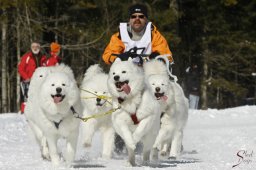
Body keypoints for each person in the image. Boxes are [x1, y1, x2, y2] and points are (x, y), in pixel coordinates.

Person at [102, 3, 173, 65]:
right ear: (129, 20)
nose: (137, 19)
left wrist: (158, 56)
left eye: (141, 16)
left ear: (146, 19)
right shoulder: (120, 36)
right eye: (133, 16)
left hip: (149, 72)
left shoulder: (154, 35)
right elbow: (107, 55)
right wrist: (119, 57)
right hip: (127, 73)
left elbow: (167, 56)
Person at [18, 41, 47, 113]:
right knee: (26, 97)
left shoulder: (44, 57)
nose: (35, 48)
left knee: (39, 97)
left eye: (37, 46)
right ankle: (23, 112)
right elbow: (20, 68)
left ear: (39, 48)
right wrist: (26, 77)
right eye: (33, 46)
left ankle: (38, 111)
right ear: (31, 48)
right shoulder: (26, 57)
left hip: (40, 81)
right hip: (28, 80)